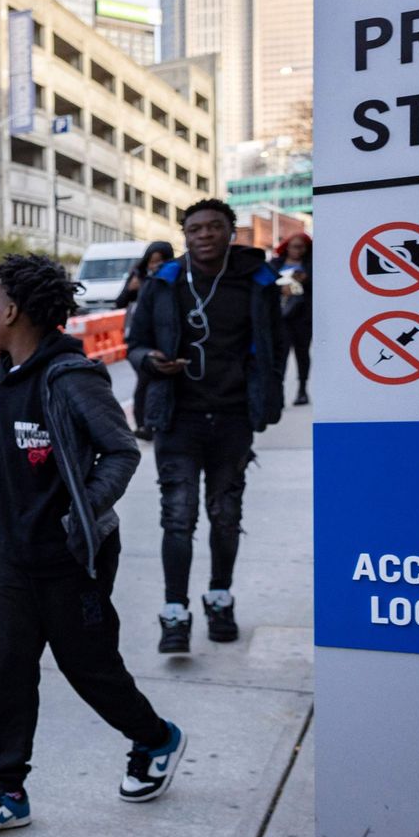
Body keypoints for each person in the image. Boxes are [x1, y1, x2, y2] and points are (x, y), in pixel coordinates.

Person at [0, 253, 186, 837]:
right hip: (15, 557)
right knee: (10, 672)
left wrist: (81, 508)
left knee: (89, 667)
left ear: (12, 312)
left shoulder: (70, 378)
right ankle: (7, 791)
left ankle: (155, 739)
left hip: (71, 557)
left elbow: (121, 450)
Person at [125, 199, 284, 654]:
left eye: (215, 226)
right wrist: (151, 361)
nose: (205, 235)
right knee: (178, 517)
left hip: (233, 417)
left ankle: (219, 598)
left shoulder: (256, 281)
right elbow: (135, 343)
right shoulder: (164, 282)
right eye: (195, 229)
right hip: (178, 417)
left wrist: (267, 395)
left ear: (231, 233)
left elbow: (276, 344)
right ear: (185, 236)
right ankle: (175, 612)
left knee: (226, 515)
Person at [116, 241, 175, 442]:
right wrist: (132, 289)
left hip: (160, 337)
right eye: (152, 261)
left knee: (149, 380)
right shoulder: (137, 276)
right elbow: (119, 302)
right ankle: (145, 423)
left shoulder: (170, 278)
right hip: (138, 336)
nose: (155, 265)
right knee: (144, 379)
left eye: (160, 261)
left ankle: (148, 423)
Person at [274, 232, 312, 406]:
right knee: (280, 356)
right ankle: (278, 393)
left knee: (302, 354)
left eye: (302, 247)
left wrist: (305, 280)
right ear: (287, 247)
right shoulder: (275, 264)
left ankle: (302, 390)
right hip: (280, 318)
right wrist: (281, 288)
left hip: (302, 317)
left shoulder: (311, 265)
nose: (298, 250)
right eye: (295, 246)